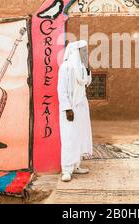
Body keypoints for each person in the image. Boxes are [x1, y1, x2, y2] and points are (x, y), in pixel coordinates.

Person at [57, 40, 93, 182]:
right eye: (83, 51)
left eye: (86, 51)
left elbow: (86, 83)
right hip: (70, 108)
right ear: (76, 52)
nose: (85, 53)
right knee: (69, 137)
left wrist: (88, 69)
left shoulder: (82, 67)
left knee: (79, 135)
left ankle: (76, 165)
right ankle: (66, 169)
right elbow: (62, 90)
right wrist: (67, 108)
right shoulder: (65, 67)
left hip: (81, 106)